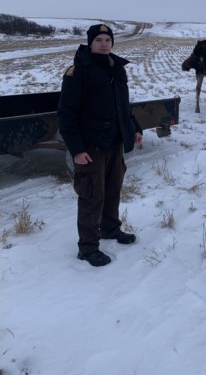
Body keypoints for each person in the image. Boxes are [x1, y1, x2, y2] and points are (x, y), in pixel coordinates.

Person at [58, 23, 143, 267]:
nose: (104, 43)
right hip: (90, 146)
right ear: (90, 43)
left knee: (113, 189)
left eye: (107, 39)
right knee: (91, 195)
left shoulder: (116, 68)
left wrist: (134, 127)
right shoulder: (78, 71)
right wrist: (77, 149)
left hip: (113, 142)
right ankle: (87, 248)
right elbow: (66, 113)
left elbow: (122, 104)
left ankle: (110, 229)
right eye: (99, 40)